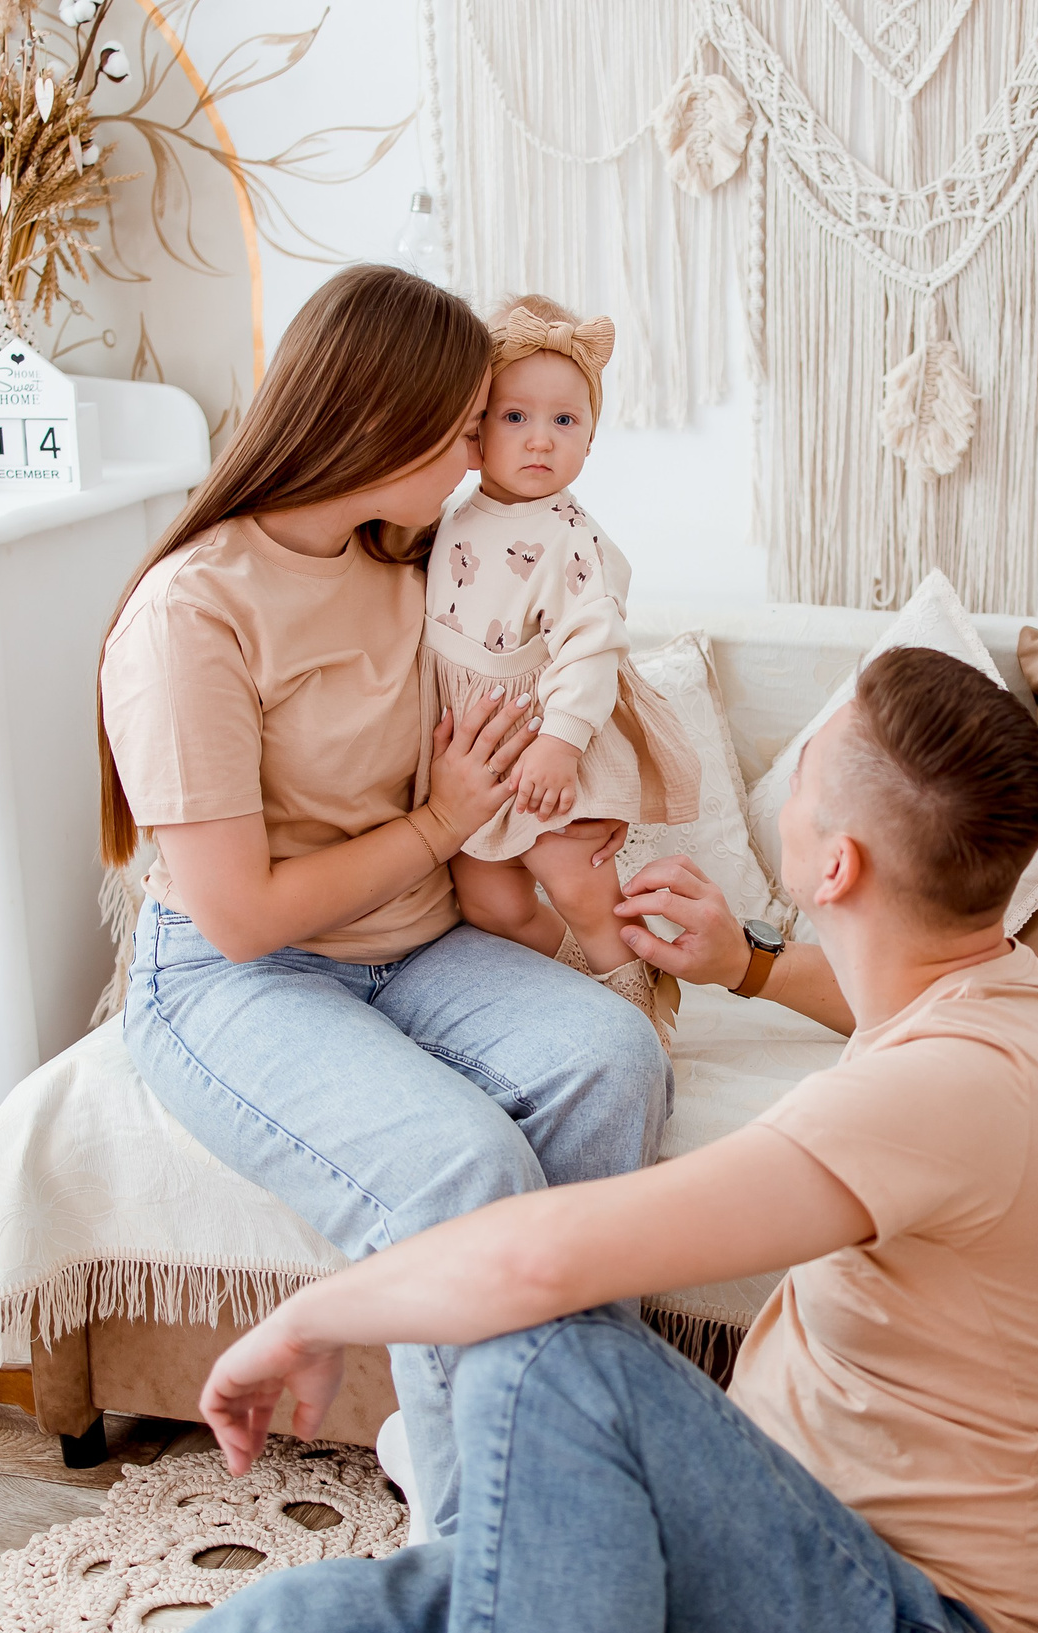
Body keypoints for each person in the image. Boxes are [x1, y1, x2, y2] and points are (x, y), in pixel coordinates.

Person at [110, 646, 1038, 1633]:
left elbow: (541, 1256)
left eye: (797, 781)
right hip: (777, 1546)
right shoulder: (998, 1001)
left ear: (832, 867)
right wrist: (741, 965)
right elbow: (889, 1003)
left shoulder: (952, 1093)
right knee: (303, 1630)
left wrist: (310, 1317)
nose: (781, 795)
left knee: (554, 1353)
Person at [95, 265, 669, 1540]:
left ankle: (550, 1450)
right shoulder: (190, 614)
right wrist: (439, 826)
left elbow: (558, 610)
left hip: (412, 941)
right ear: (381, 427)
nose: (482, 451)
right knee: (457, 1166)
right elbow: (239, 917)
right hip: (235, 976)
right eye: (465, 423)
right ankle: (487, 1544)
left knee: (611, 1057)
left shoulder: (414, 557)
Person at [425, 294, 699, 1044]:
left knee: (578, 880)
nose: (540, 440)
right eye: (516, 417)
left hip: (545, 731)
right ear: (475, 428)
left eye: (565, 421)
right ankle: (581, 979)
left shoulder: (571, 536)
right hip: (476, 745)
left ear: (589, 437)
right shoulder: (447, 512)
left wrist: (563, 741)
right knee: (485, 895)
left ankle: (637, 1001)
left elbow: (590, 645)